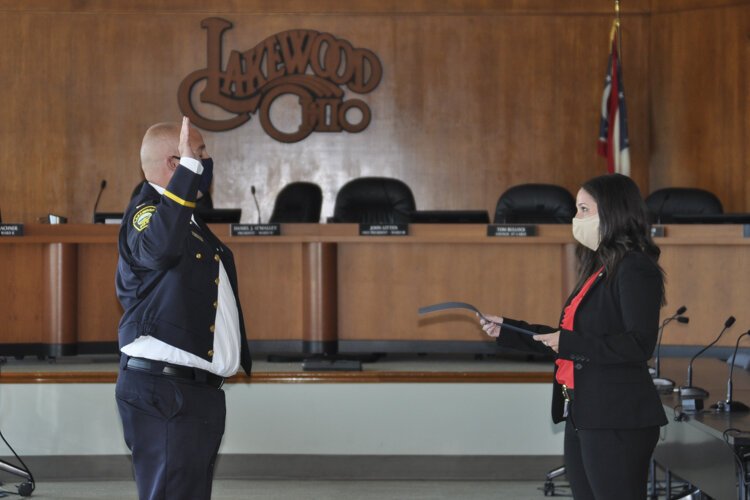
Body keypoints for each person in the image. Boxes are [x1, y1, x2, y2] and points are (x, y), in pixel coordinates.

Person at [480, 173, 667, 500]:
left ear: (612, 212)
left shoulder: (635, 268)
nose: (575, 219)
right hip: (584, 410)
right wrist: (507, 329)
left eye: (584, 210)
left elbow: (638, 344)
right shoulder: (600, 267)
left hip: (617, 417)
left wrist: (568, 343)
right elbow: (567, 337)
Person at [115, 117, 252, 500]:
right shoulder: (147, 212)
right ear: (175, 163)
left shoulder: (184, 219)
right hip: (166, 390)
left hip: (190, 391)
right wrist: (191, 172)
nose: (208, 161)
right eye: (200, 153)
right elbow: (157, 249)